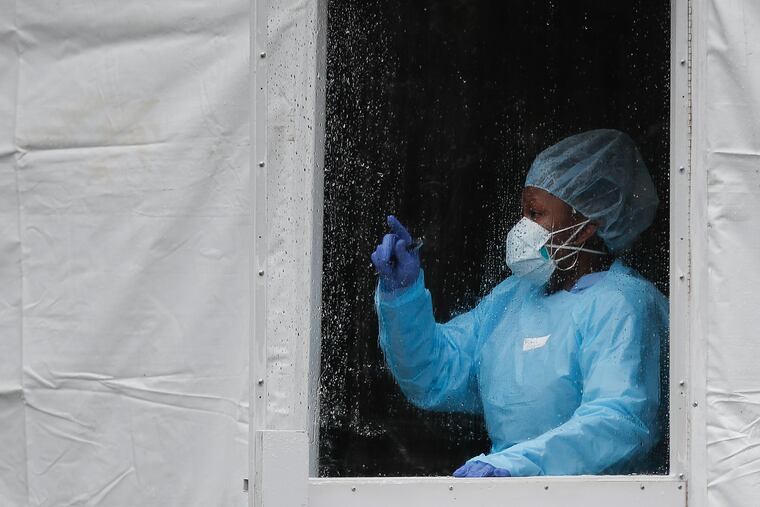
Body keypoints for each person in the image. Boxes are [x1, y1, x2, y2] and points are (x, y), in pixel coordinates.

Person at [370, 129, 668, 477]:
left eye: (536, 213)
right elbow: (433, 372)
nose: (523, 227)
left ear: (587, 225)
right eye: (522, 213)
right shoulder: (512, 298)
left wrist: (517, 466)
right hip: (507, 490)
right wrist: (402, 296)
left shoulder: (621, 304)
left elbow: (618, 421)